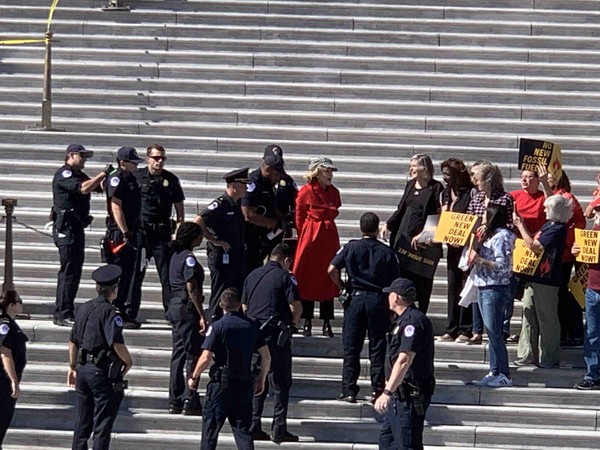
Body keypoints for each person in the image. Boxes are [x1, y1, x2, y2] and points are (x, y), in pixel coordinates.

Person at [328, 212, 400, 403]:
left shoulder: (351, 247)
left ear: (361, 229)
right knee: (377, 347)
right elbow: (396, 280)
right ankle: (378, 390)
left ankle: (349, 390)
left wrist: (342, 288)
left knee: (351, 347)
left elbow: (331, 269)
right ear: (377, 229)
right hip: (378, 300)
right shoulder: (387, 252)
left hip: (355, 300)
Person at [188, 288, 271, 450]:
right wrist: (261, 378)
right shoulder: (252, 326)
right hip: (244, 384)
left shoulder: (218, 327)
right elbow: (266, 356)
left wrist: (195, 376)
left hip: (221, 386)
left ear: (221, 305)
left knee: (210, 433)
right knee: (243, 432)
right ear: (240, 304)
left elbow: (205, 357)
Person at [68, 264, 133, 450]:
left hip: (83, 369)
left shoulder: (83, 308)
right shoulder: (111, 313)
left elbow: (72, 342)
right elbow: (116, 344)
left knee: (82, 422)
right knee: (102, 426)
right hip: (101, 372)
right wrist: (128, 361)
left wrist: (73, 366)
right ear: (115, 290)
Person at [242, 244, 302, 443]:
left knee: (259, 379)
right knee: (281, 382)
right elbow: (296, 306)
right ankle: (279, 427)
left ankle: (253, 424)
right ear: (286, 260)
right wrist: (293, 325)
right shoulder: (286, 276)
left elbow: (244, 306)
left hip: (255, 336)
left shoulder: (252, 275)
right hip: (276, 336)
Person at [374, 278, 435, 450]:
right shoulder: (401, 321)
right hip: (398, 395)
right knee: (388, 443)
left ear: (396, 297)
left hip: (408, 395)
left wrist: (387, 392)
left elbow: (404, 360)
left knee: (407, 445)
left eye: (390, 294)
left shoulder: (412, 322)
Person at [52, 143, 109, 326]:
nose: (84, 160)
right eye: (81, 156)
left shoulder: (79, 175)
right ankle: (62, 313)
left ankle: (67, 309)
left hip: (76, 228)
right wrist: (103, 173)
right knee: (68, 272)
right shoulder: (65, 174)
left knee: (75, 271)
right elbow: (84, 188)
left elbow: (96, 187)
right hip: (66, 229)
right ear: (71, 155)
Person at [514, 194, 572, 368]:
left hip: (547, 279)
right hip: (534, 276)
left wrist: (520, 225)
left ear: (555, 210)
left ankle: (549, 356)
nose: (544, 209)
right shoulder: (549, 225)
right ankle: (527, 354)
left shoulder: (558, 228)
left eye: (547, 208)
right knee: (528, 314)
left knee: (547, 318)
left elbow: (534, 246)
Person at [381, 154, 443, 314]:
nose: (411, 169)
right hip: (403, 240)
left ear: (424, 168)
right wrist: (388, 223)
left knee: (422, 281)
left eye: (414, 166)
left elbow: (439, 215)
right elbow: (401, 208)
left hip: (423, 244)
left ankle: (419, 313)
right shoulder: (410, 185)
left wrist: (424, 234)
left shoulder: (436, 188)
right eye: (411, 165)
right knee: (401, 279)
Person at [465, 162, 514, 345]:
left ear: (488, 179)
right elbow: (468, 222)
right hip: (477, 249)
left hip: (495, 251)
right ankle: (477, 329)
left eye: (478, 178)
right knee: (476, 290)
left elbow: (509, 225)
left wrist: (491, 228)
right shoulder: (476, 198)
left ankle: (502, 329)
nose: (475, 182)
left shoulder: (504, 199)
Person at [293, 157, 342, 337]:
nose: (330, 175)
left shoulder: (334, 192)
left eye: (331, 171)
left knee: (327, 277)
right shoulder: (306, 191)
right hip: (310, 235)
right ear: (317, 172)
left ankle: (327, 321)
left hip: (328, 236)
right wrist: (305, 234)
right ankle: (307, 320)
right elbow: (299, 217)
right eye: (326, 170)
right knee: (307, 277)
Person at [470, 204, 516, 387]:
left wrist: (480, 260)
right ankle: (494, 370)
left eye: (484, 215)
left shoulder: (502, 236)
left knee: (495, 332)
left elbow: (503, 265)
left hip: (495, 288)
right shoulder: (489, 235)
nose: (482, 218)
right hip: (483, 285)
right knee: (490, 332)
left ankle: (504, 373)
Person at [194, 168, 249, 322]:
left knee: (236, 290)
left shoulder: (237, 204)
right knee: (220, 291)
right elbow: (198, 221)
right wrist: (213, 240)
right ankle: (212, 321)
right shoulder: (221, 204)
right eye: (243, 184)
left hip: (236, 257)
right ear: (233, 185)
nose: (246, 188)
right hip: (221, 257)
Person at [136, 144, 185, 314]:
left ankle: (171, 312)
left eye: (162, 158)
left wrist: (177, 230)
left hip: (162, 232)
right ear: (148, 158)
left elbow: (179, 207)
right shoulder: (137, 177)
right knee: (136, 274)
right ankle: (130, 312)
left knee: (167, 275)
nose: (159, 161)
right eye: (156, 158)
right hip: (141, 232)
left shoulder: (171, 179)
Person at [167, 222, 207, 416]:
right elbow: (192, 287)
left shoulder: (174, 256)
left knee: (178, 353)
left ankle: (174, 398)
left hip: (175, 306)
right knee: (193, 354)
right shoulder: (189, 258)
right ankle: (189, 397)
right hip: (186, 307)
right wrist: (201, 313)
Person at [544, 169, 586, 346]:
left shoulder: (567, 197)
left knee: (563, 293)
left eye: (549, 177)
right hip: (552, 253)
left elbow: (580, 222)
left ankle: (571, 331)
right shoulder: (547, 194)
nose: (546, 179)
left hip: (565, 254)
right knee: (558, 294)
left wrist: (569, 240)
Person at [103, 146, 144, 329]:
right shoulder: (117, 178)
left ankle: (122, 311)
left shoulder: (130, 179)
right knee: (118, 273)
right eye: (132, 162)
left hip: (131, 231)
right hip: (119, 234)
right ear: (122, 162)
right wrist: (125, 231)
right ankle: (113, 311)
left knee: (128, 274)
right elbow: (116, 206)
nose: (136, 166)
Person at [438, 158, 474, 343]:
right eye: (443, 174)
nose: (445, 178)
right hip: (451, 247)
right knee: (452, 287)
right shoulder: (445, 193)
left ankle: (465, 329)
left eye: (448, 174)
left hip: (466, 247)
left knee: (464, 287)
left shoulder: (469, 194)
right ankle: (451, 328)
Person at [242, 152, 285, 273]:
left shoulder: (268, 184)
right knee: (252, 270)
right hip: (249, 237)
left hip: (262, 238)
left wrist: (283, 218)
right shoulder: (253, 182)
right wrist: (274, 223)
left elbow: (269, 207)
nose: (278, 178)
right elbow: (248, 215)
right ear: (268, 169)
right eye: (276, 174)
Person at [573, 197, 600, 390]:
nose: (597, 214)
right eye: (598, 210)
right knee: (591, 333)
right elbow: (586, 255)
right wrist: (577, 250)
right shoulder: (594, 232)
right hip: (592, 288)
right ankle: (592, 374)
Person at [0, 290, 27, 448]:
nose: (21, 304)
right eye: (19, 301)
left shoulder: (9, 323)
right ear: (11, 305)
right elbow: (5, 352)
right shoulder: (5, 324)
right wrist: (13, 381)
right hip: (3, 381)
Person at [264, 144, 299, 239]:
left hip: (281, 228)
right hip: (261, 227)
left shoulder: (287, 181)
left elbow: (297, 203)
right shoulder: (257, 181)